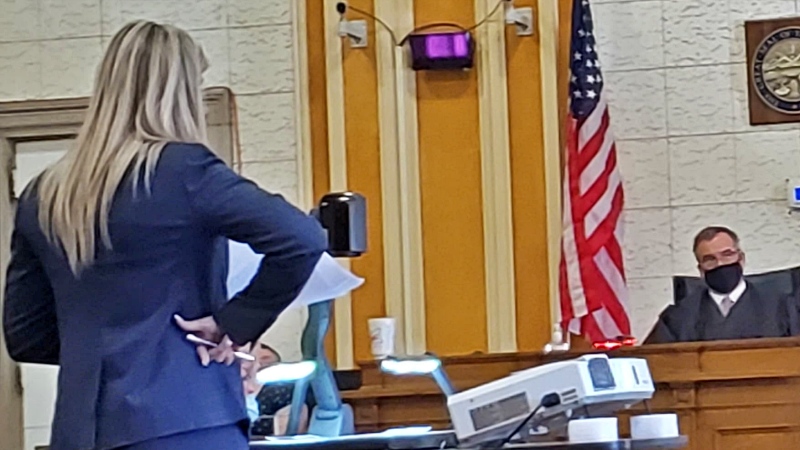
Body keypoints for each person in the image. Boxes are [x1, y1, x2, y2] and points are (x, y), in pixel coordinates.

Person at [2, 20, 327, 450]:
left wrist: (99, 352)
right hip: (188, 419)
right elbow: (303, 238)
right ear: (184, 93)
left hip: (80, 432)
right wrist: (233, 325)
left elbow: (26, 335)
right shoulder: (185, 172)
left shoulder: (43, 194)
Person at [643, 226, 800, 344]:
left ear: (741, 258)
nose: (720, 264)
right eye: (709, 259)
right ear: (700, 269)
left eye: (727, 255)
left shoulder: (783, 307)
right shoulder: (677, 317)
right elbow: (654, 361)